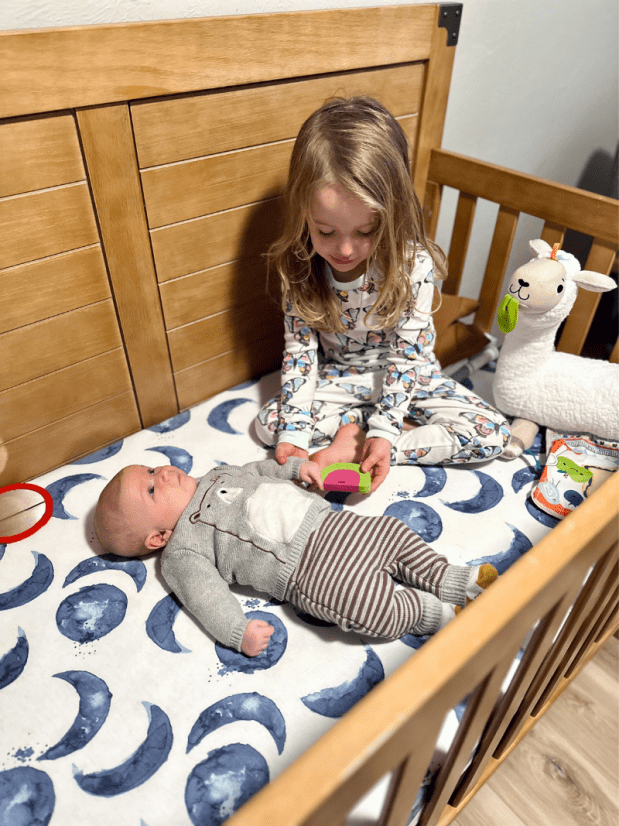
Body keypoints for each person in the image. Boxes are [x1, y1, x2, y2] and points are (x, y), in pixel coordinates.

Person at [255, 96, 510, 491]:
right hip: (340, 378)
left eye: (365, 232)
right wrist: (293, 434)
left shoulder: (413, 265)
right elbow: (301, 353)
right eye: (326, 231)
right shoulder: (300, 262)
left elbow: (406, 357)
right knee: (270, 426)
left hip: (408, 377)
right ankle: (356, 429)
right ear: (303, 210)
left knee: (493, 434)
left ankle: (361, 443)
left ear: (392, 213)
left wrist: (387, 433)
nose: (343, 250)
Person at [94, 458, 498, 657]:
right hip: (307, 571)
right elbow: (205, 597)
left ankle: (453, 579)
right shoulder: (181, 551)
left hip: (332, 524)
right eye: (150, 490)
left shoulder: (215, 474)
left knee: (392, 534)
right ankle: (429, 613)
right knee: (366, 607)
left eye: (149, 470)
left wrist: (294, 467)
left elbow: (258, 469)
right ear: (158, 537)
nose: (161, 474)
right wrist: (237, 632)